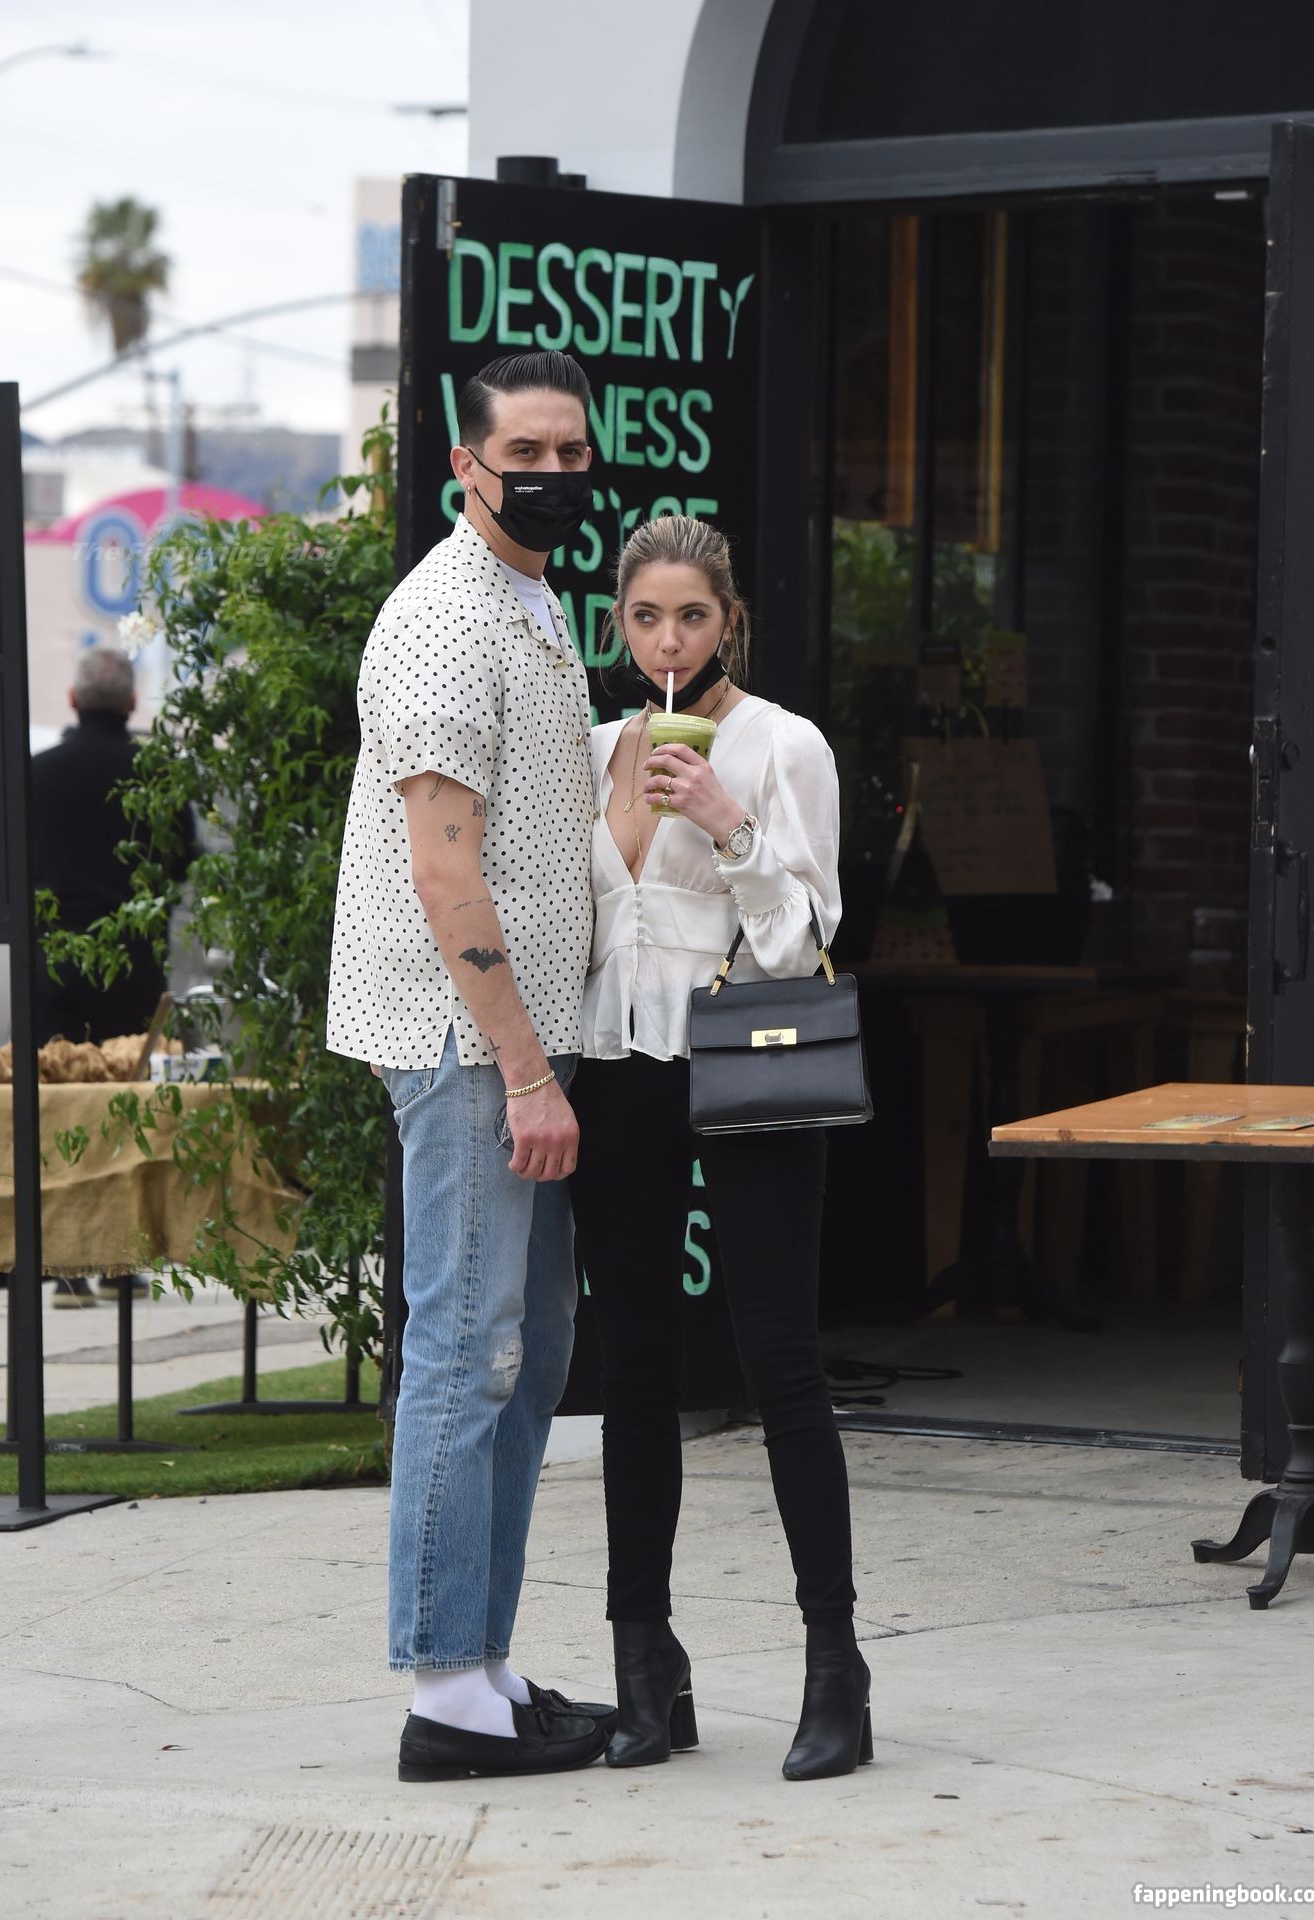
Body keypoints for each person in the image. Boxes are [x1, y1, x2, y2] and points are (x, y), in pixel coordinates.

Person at [327, 350, 616, 1782]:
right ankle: (445, 1694)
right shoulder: (444, 618)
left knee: (532, 1350)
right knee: (469, 1349)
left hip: (520, 1043)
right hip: (466, 1046)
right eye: (526, 455)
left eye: (571, 452)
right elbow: (445, 873)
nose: (553, 476)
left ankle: (487, 1667)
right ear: (467, 466)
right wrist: (524, 1073)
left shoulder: (529, 602)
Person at [568, 515, 870, 1782]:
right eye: (646, 618)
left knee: (778, 1360)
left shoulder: (783, 745)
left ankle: (835, 1668)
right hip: (616, 1073)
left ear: (729, 622)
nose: (668, 641)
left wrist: (730, 826)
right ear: (620, 625)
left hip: (745, 1059)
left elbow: (802, 942)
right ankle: (646, 1664)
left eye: (692, 616)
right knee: (633, 1369)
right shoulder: (595, 750)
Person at [31, 646, 195, 1308]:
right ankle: (124, 1266)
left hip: (50, 963)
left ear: (73, 700)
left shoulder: (35, 774)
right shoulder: (156, 774)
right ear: (132, 703)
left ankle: (68, 1267)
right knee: (129, 1105)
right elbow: (183, 861)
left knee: (59, 1105)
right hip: (132, 962)